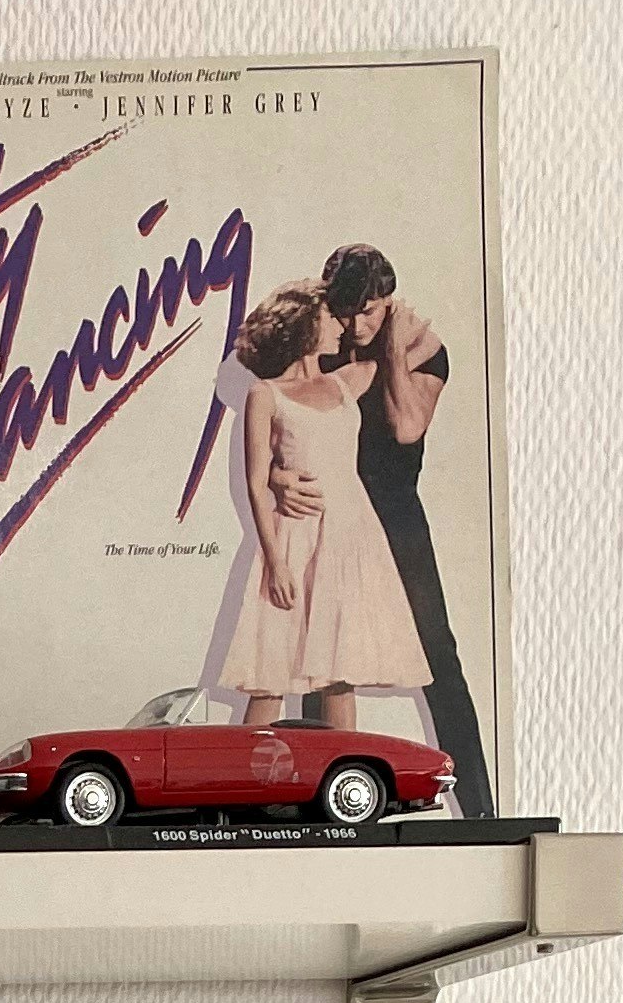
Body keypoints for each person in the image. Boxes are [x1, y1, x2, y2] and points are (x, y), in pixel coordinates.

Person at [314, 242, 495, 819]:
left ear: (389, 303)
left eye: (368, 312)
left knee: (439, 657)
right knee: (320, 661)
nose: (354, 325)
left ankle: (483, 812)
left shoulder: (425, 352)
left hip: (395, 514)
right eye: (346, 312)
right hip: (334, 513)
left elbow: (406, 427)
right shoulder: (324, 345)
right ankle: (322, 814)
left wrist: (391, 346)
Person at [202, 281, 430, 731]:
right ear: (305, 327)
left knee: (338, 677)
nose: (341, 327)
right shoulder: (264, 394)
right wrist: (275, 563)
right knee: (269, 677)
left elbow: (395, 344)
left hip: (350, 539)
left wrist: (388, 304)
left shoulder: (346, 381)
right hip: (294, 539)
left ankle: (341, 787)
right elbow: (253, 481)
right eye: (329, 318)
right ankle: (243, 789)